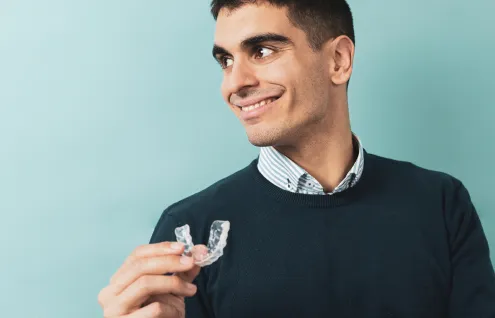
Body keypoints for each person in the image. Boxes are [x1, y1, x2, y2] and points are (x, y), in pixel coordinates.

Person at [98, 0, 495, 317]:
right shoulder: (188, 229)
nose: (234, 83)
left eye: (263, 50)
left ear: (338, 60)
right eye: (226, 60)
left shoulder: (441, 204)